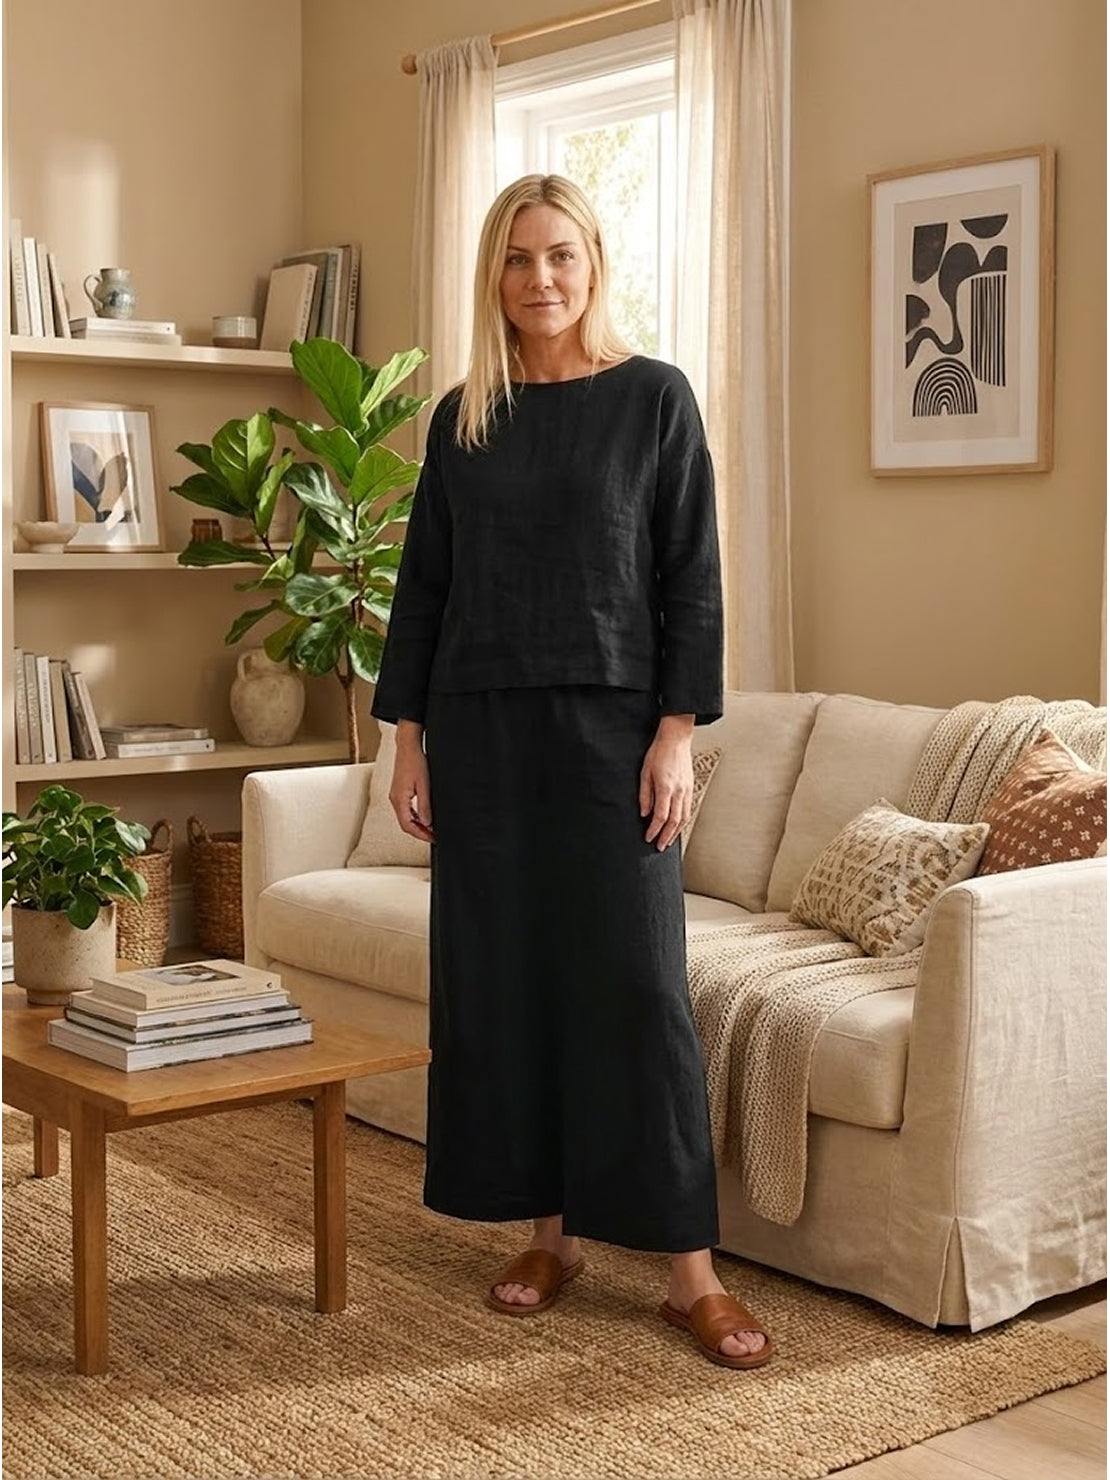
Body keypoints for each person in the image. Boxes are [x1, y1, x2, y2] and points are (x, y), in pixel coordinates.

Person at [369, 174, 774, 1369]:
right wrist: (407, 741)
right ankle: (553, 1235)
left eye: (559, 255)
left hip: (614, 741)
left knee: (640, 992)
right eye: (516, 259)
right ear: (493, 277)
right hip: (483, 738)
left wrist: (675, 735)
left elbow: (689, 578)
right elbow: (424, 590)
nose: (539, 278)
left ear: (594, 262)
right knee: (512, 984)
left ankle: (691, 1270)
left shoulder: (655, 400)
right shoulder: (463, 418)